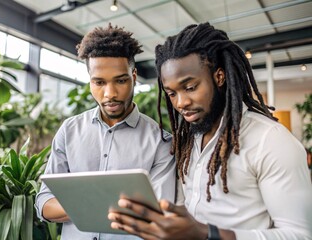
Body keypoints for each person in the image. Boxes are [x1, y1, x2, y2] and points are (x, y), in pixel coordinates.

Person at [108, 22, 312, 240]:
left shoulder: (270, 140)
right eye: (172, 93)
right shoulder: (189, 140)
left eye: (190, 87)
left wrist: (207, 234)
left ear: (219, 77)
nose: (181, 103)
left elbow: (299, 235)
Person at [35, 24, 176, 240]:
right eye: (99, 82)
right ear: (90, 81)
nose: (110, 94)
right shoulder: (69, 131)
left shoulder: (160, 141)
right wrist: (109, 206)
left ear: (134, 76)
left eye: (120, 81)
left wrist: (80, 205)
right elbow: (44, 203)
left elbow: (160, 213)